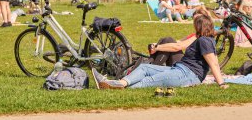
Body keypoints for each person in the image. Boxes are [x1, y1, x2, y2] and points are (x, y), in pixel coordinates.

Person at [92, 14, 228, 89]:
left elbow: (214, 64)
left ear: (199, 27)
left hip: (187, 75)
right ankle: (119, 83)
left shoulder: (204, 41)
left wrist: (221, 83)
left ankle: (113, 85)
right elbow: (178, 44)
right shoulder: (203, 39)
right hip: (179, 70)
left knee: (148, 80)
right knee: (145, 68)